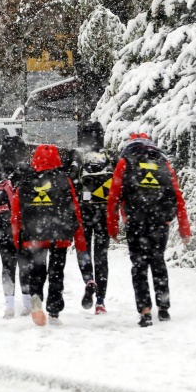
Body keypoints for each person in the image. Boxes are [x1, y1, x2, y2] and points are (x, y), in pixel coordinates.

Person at [107, 133, 192, 327]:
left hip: (136, 221)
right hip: (160, 221)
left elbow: (114, 197)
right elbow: (177, 196)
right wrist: (184, 229)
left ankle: (145, 311)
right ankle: (163, 308)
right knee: (158, 261)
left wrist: (112, 227)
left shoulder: (125, 162)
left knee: (139, 266)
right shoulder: (162, 161)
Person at [11, 144, 87, 326]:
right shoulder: (64, 180)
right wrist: (79, 239)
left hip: (34, 236)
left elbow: (16, 212)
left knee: (37, 272)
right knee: (56, 273)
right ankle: (53, 311)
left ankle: (36, 299)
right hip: (59, 236)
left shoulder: (27, 180)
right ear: (57, 159)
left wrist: (17, 240)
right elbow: (74, 209)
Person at [0, 136, 31, 319]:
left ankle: (9, 306)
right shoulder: (25, 171)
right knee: (24, 262)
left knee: (7, 264)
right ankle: (27, 303)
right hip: (21, 225)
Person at [72, 121, 114, 314]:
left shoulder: (77, 157)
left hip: (84, 212)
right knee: (101, 256)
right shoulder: (109, 157)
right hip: (104, 212)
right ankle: (100, 302)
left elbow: (70, 184)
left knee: (84, 251)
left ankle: (88, 279)